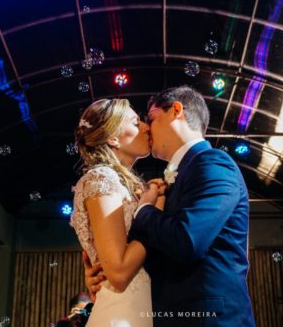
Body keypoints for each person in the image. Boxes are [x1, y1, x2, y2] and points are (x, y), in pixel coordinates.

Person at [85, 86, 256, 326]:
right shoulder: (171, 180)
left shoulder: (213, 163)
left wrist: (145, 210)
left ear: (176, 110)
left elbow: (187, 240)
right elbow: (157, 248)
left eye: (151, 118)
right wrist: (103, 273)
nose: (147, 128)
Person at [70, 98, 165, 326]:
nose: (146, 127)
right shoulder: (101, 178)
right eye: (135, 123)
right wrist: (152, 210)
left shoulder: (128, 186)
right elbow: (120, 273)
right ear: (113, 138)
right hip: (121, 315)